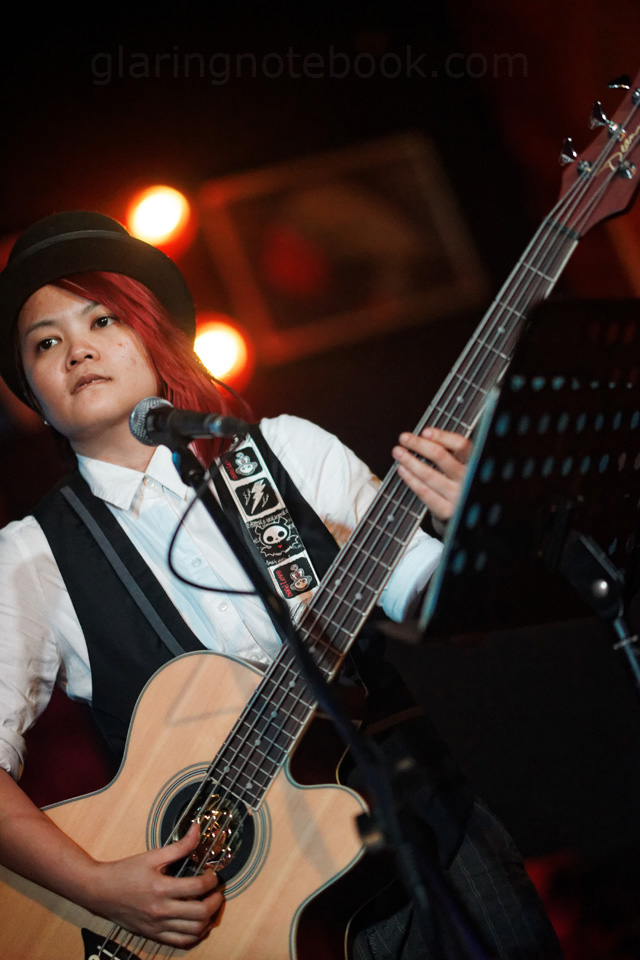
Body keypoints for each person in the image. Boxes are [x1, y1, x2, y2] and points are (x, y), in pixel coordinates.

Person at [0, 211, 561, 958]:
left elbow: (443, 607)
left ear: (153, 333)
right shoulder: (30, 556)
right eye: (46, 343)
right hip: (245, 926)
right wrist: (100, 887)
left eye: (103, 319)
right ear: (33, 394)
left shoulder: (285, 452)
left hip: (430, 839)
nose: (78, 350)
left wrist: (471, 527)